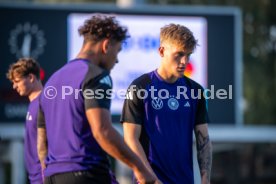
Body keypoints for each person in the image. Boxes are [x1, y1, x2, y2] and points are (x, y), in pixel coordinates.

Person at [37, 14, 157, 184]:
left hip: (51, 176)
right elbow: (102, 131)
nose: (117, 59)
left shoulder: (51, 81)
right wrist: (140, 168)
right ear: (106, 45)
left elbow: (42, 143)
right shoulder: (97, 76)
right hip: (86, 173)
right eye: (118, 51)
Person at [121, 23, 212, 184]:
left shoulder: (195, 91)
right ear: (162, 51)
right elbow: (130, 139)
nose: (185, 61)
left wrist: (205, 180)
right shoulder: (139, 87)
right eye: (179, 54)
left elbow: (203, 139)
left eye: (188, 55)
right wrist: (153, 180)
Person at [6, 58, 43, 184]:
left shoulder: (44, 104)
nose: (14, 86)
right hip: (35, 178)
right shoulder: (33, 105)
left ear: (31, 77)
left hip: (43, 178)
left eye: (17, 81)